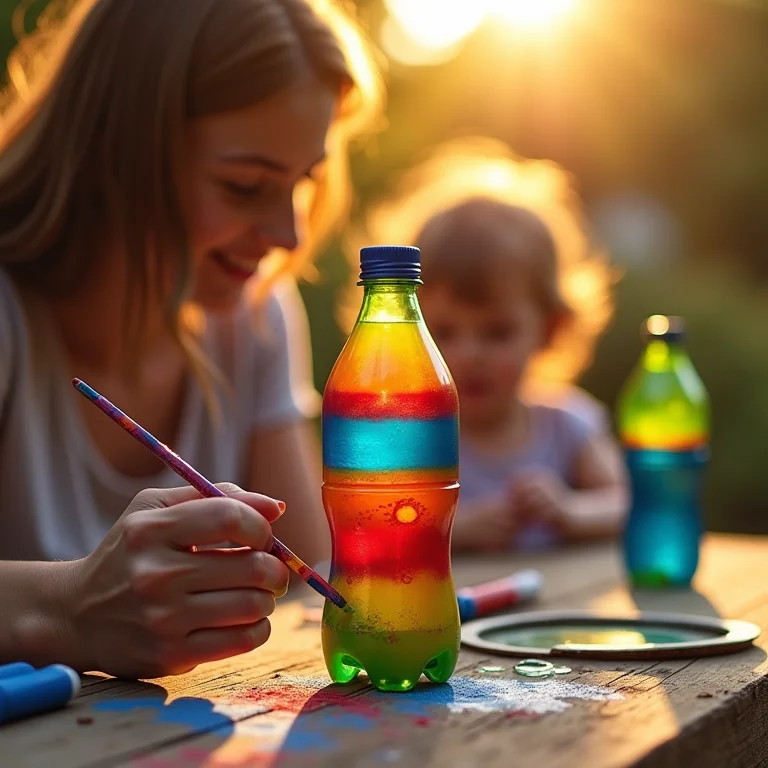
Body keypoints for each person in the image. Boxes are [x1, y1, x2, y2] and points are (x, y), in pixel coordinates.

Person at [0, 0, 381, 678]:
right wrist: (68, 609)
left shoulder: (255, 315)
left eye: (303, 182)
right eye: (244, 186)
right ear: (116, 147)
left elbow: (309, 570)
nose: (288, 236)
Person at [346, 138, 628, 552]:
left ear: (550, 329)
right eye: (442, 331)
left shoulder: (566, 425)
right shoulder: (408, 436)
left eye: (497, 332)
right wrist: (452, 529)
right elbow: (367, 526)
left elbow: (622, 502)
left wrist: (570, 511)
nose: (468, 355)